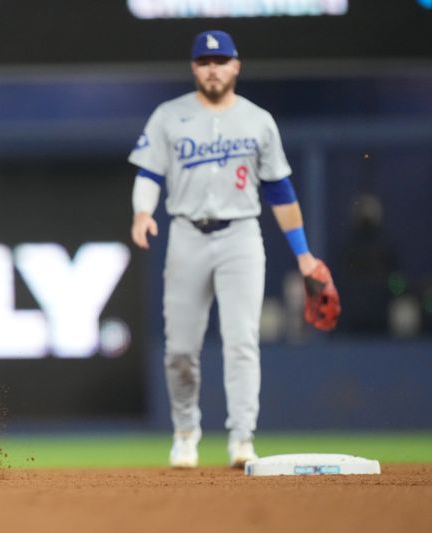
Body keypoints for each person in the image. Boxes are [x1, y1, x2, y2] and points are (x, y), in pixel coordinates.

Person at [129, 31, 324, 468]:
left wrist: (304, 254)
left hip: (241, 236)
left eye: (220, 61)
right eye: (203, 61)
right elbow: (148, 175)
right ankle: (185, 431)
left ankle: (242, 439)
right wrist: (143, 213)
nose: (212, 69)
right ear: (194, 68)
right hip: (187, 234)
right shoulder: (168, 116)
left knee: (241, 342)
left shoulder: (258, 120)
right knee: (180, 348)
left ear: (236, 66)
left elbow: (281, 191)